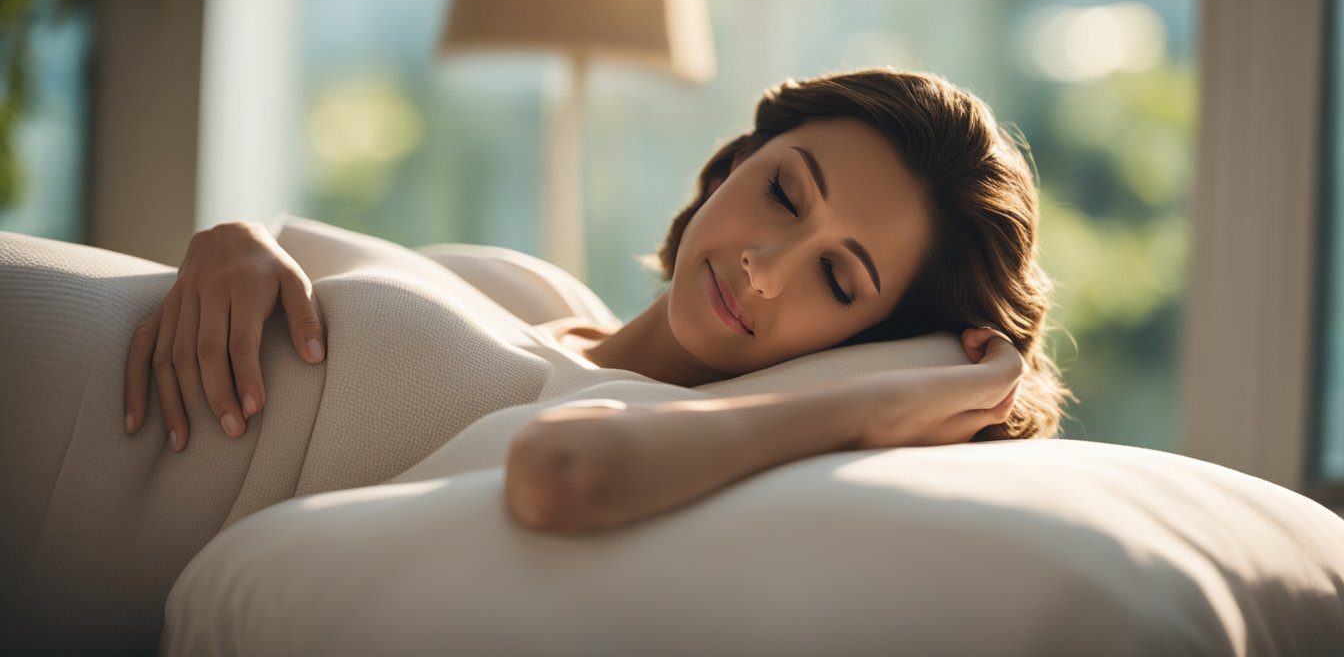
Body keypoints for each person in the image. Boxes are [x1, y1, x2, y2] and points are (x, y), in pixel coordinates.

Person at [122, 67, 1077, 534]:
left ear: (871, 336)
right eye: (786, 193)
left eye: (839, 279)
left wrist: (882, 402)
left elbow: (561, 479)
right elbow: (278, 255)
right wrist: (233, 242)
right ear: (739, 163)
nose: (765, 269)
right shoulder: (538, 289)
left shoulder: (650, 432)